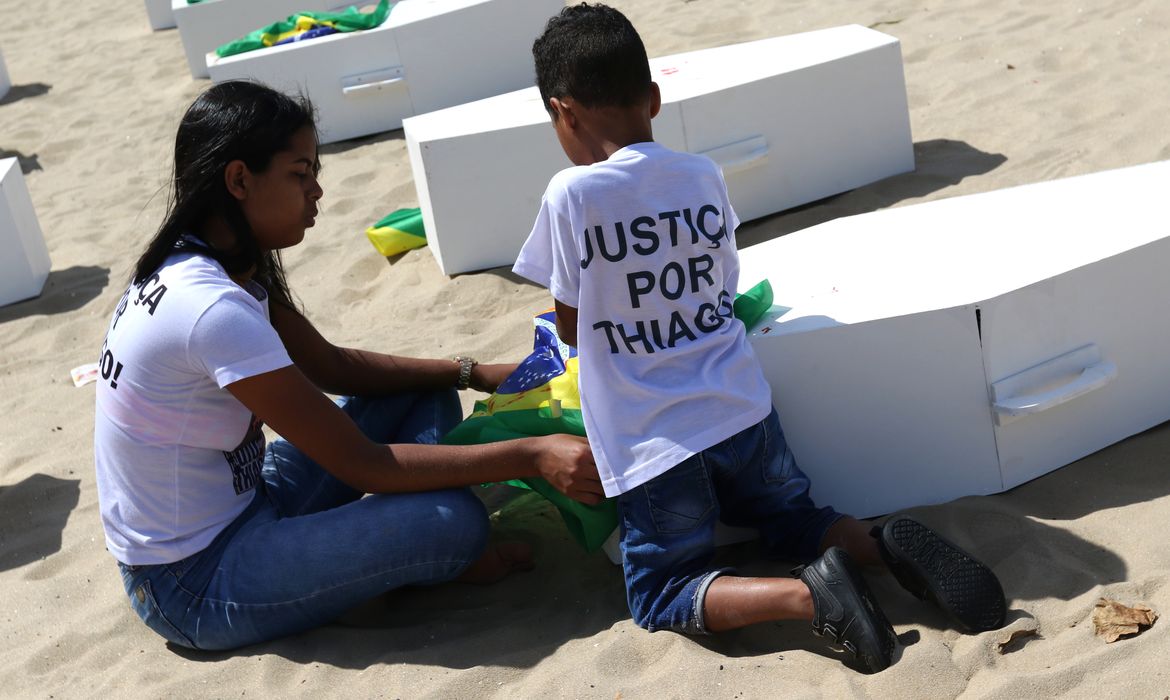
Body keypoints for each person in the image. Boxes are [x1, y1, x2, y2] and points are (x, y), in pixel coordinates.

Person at [513, 3, 1007, 674]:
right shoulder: (702, 175)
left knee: (660, 591)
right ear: (653, 98)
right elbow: (716, 285)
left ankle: (808, 597)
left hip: (656, 442)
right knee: (797, 521)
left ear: (562, 112)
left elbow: (571, 325)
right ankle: (878, 543)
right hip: (744, 410)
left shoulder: (569, 195)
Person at [93, 80, 603, 651]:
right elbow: (362, 465)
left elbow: (334, 368)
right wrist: (533, 454)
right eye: (299, 173)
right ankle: (377, 570)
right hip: (193, 582)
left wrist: (469, 371)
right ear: (238, 180)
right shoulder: (209, 307)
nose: (317, 192)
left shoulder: (209, 262)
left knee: (421, 391)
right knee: (455, 523)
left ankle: (367, 564)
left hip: (249, 507)